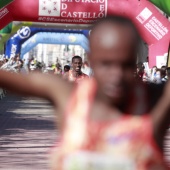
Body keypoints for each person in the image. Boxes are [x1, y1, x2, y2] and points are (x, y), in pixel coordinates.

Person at [0, 16, 170, 169]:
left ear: (135, 62)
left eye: (126, 65)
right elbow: (16, 80)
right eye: (106, 64)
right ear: (91, 60)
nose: (116, 75)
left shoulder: (156, 102)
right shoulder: (68, 97)